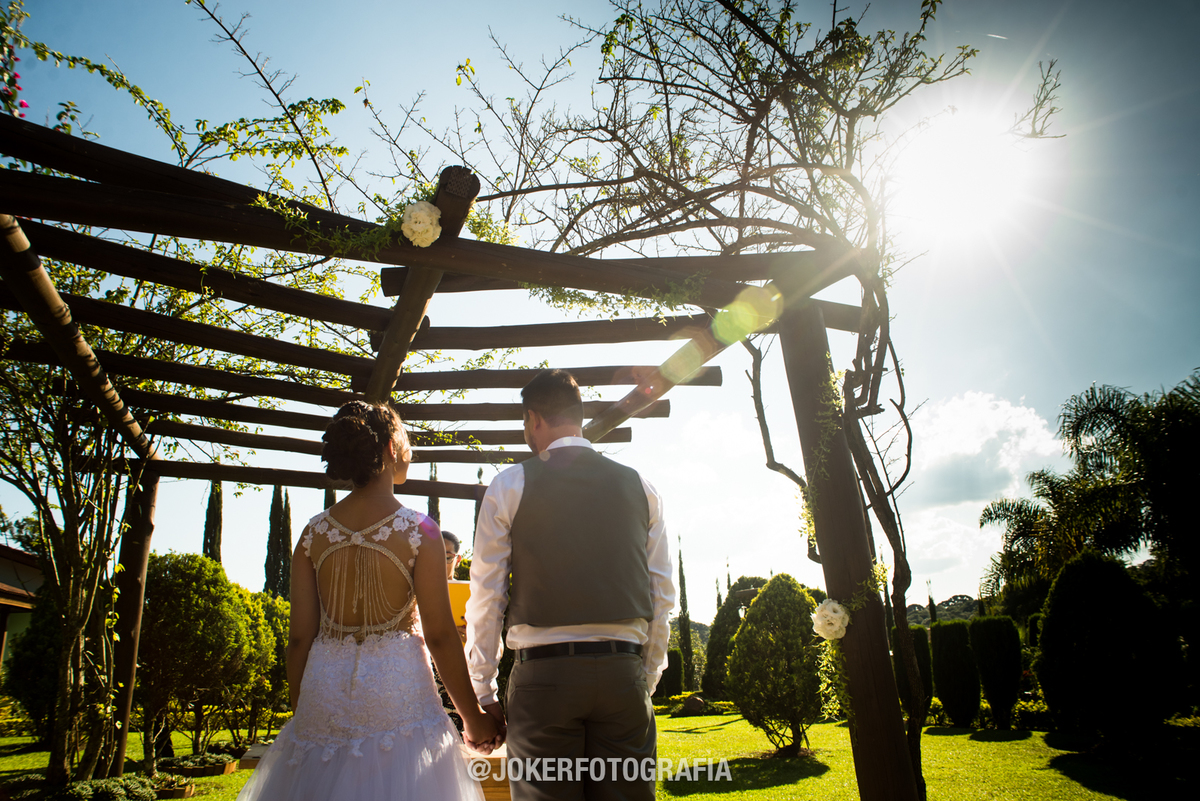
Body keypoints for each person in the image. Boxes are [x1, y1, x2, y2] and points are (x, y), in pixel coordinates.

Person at [237, 400, 498, 801]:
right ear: (392, 448)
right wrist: (474, 719)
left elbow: (299, 639)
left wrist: (301, 711)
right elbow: (442, 635)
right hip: (398, 699)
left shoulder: (312, 534)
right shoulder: (422, 530)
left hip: (322, 693)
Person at [465, 369, 675, 801]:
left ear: (533, 419)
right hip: (623, 673)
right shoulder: (642, 486)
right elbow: (662, 595)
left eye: (526, 425)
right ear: (577, 417)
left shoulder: (509, 483)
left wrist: (482, 689)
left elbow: (487, 595)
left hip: (545, 679)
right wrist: (645, 675)